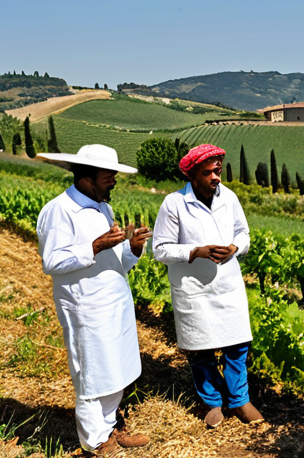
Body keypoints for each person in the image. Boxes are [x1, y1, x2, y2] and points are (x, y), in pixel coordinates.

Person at [36, 144, 151, 455]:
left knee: (116, 366)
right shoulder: (58, 210)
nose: (113, 180)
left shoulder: (103, 207)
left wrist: (133, 249)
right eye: (108, 176)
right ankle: (95, 441)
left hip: (114, 303)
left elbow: (115, 263)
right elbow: (52, 262)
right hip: (85, 306)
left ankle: (110, 425)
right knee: (92, 372)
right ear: (87, 177)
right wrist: (96, 245)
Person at [152, 144, 263, 428]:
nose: (217, 177)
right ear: (193, 176)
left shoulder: (230, 198)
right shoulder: (174, 203)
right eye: (209, 172)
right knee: (201, 350)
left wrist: (235, 248)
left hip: (227, 284)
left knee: (237, 345)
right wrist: (196, 251)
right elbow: (161, 249)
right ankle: (211, 402)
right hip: (193, 288)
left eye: (218, 170)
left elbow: (243, 232)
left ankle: (240, 400)